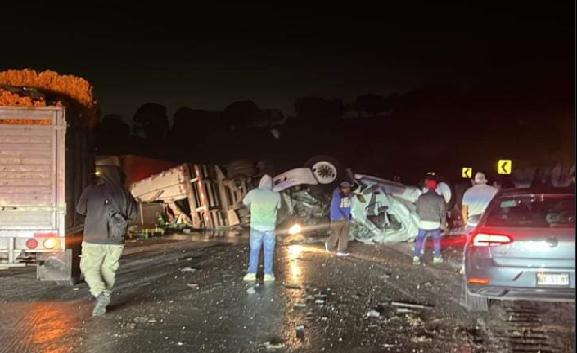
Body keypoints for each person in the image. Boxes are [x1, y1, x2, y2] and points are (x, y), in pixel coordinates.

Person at [76, 165, 138, 317]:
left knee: (89, 267)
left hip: (94, 237)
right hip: (116, 239)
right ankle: (105, 297)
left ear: (103, 177)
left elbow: (80, 210)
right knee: (108, 268)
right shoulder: (125, 194)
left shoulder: (90, 191)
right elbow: (134, 214)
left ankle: (100, 294)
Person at [242, 175, 281, 283]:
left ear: (260, 183)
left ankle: (251, 273)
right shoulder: (276, 195)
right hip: (270, 228)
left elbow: (245, 203)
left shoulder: (253, 193)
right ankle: (268, 274)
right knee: (269, 251)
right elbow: (279, 207)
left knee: (254, 250)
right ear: (271, 185)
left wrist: (252, 209)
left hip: (255, 226)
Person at [413, 177, 446, 265]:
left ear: (427, 187)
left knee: (419, 239)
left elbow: (417, 210)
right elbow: (443, 212)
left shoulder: (421, 197)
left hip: (423, 223)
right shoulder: (440, 198)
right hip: (435, 224)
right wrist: (443, 224)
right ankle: (437, 257)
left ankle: (416, 256)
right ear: (435, 187)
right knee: (436, 240)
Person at [462, 172, 498, 242]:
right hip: (488, 222)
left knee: (470, 243)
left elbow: (464, 211)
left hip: (473, 223)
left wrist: (466, 224)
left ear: (475, 181)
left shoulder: (468, 192)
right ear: (484, 180)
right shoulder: (494, 191)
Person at [326, 181, 353, 256]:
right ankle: (329, 245)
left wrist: (349, 216)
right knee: (335, 234)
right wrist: (340, 216)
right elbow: (334, 207)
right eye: (348, 188)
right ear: (343, 188)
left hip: (346, 217)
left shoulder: (347, 195)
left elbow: (349, 206)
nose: (349, 189)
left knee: (345, 235)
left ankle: (342, 250)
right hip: (337, 218)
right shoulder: (337, 195)